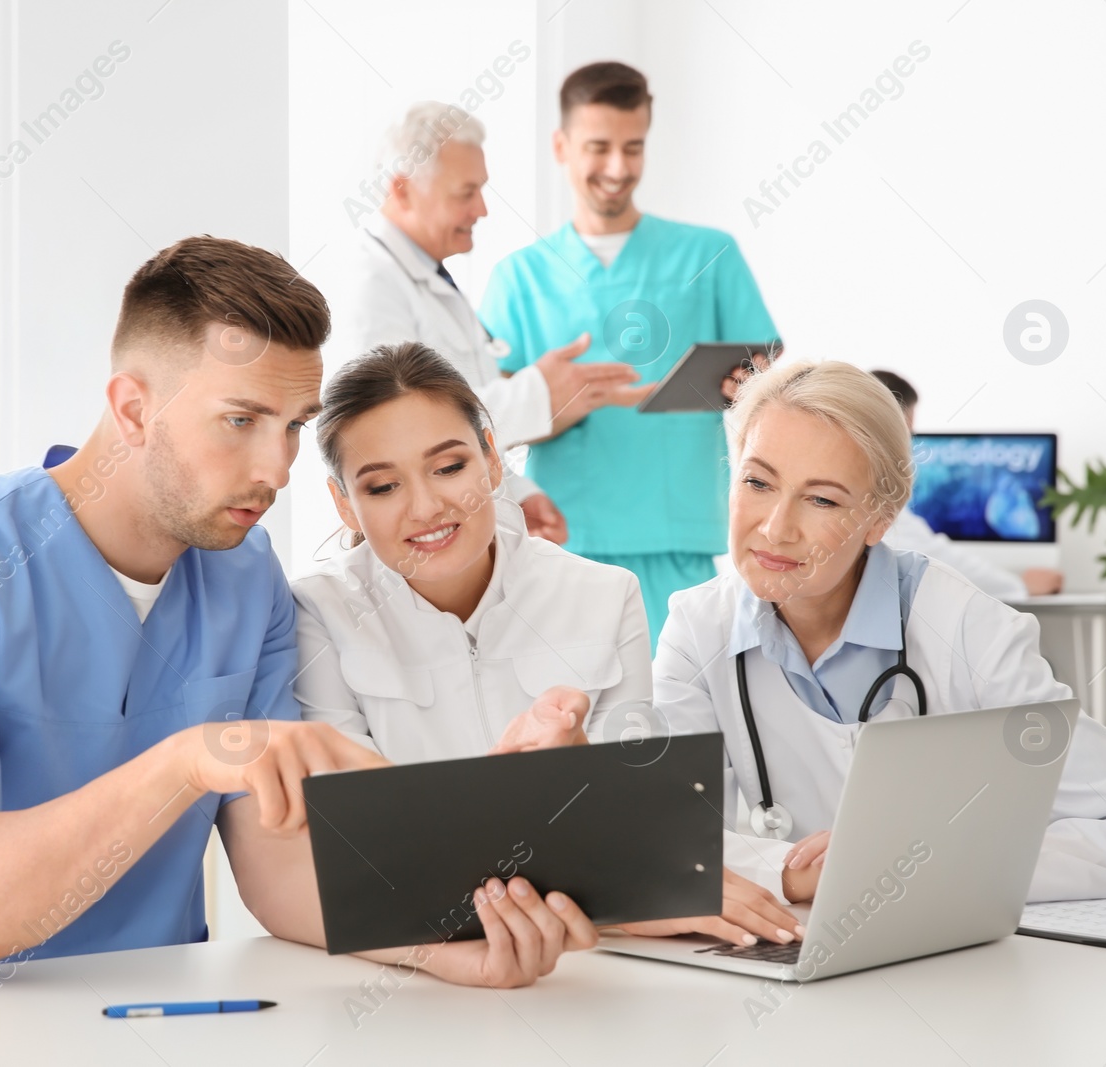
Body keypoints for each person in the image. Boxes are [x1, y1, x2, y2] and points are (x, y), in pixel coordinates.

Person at [0, 237, 593, 992]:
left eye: (294, 428)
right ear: (133, 409)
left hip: (141, 1017)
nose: (275, 467)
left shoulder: (245, 582)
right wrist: (191, 760)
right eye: (240, 421)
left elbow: (280, 871)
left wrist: (446, 937)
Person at [293, 342, 805, 948]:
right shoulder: (317, 614)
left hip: (593, 962)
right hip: (417, 967)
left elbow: (639, 827)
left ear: (491, 459)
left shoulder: (604, 595)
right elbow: (360, 853)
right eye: (382, 486)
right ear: (343, 504)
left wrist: (778, 868)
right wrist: (615, 883)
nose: (426, 506)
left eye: (449, 467)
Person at [652, 358, 1106, 905]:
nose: (775, 528)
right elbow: (665, 843)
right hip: (794, 947)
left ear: (881, 518)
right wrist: (790, 875)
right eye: (757, 482)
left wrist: (931, 859)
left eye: (822, 499)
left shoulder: (970, 629)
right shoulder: (698, 628)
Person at [479, 62, 778, 645]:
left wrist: (743, 388)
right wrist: (576, 401)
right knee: (572, 715)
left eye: (633, 147)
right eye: (599, 147)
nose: (618, 168)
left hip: (674, 533)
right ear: (562, 146)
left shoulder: (709, 253)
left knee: (682, 711)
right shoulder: (518, 278)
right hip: (564, 537)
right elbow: (486, 426)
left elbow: (760, 373)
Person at [330, 101, 650, 544]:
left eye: (482, 190)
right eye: (466, 192)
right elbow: (395, 429)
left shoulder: (431, 278)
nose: (481, 209)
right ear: (402, 190)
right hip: (413, 537)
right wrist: (540, 392)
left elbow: (455, 412)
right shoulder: (371, 286)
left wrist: (519, 493)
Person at [872, 369, 1064, 598]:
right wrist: (1019, 586)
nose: (907, 445)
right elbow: (933, 558)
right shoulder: (875, 498)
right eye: (907, 432)